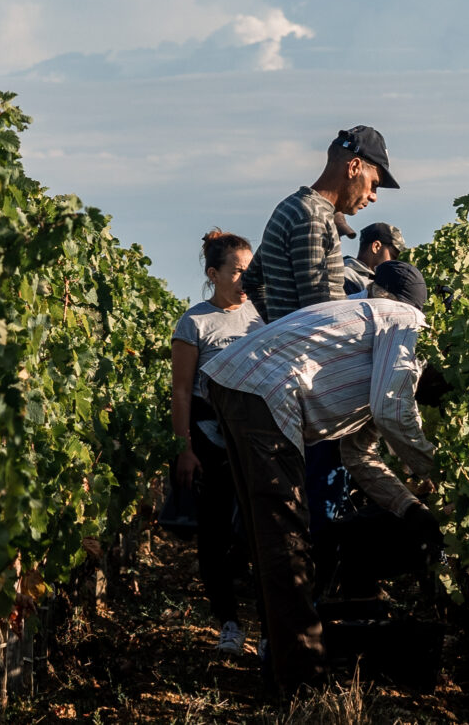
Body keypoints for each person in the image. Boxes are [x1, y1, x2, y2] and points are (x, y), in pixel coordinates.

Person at [203, 260, 448, 697]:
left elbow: (359, 456)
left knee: (271, 540)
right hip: (262, 391)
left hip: (239, 384)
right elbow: (394, 412)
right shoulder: (405, 318)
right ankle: (302, 686)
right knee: (287, 540)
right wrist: (439, 473)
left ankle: (281, 667)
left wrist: (409, 507)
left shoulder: (366, 339)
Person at [169, 229, 262, 655]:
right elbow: (182, 392)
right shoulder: (194, 323)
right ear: (214, 274)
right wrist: (184, 449)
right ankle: (228, 622)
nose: (246, 279)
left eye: (249, 270)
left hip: (257, 440)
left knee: (261, 534)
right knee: (215, 535)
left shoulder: (260, 315)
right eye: (238, 272)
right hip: (211, 442)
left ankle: (269, 628)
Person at [242, 126, 397, 322]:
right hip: (311, 352)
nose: (373, 196)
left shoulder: (293, 207)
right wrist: (284, 331)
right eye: (374, 184)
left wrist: (279, 329)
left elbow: (252, 280)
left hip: (297, 349)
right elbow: (321, 313)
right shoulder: (313, 218)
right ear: (354, 168)